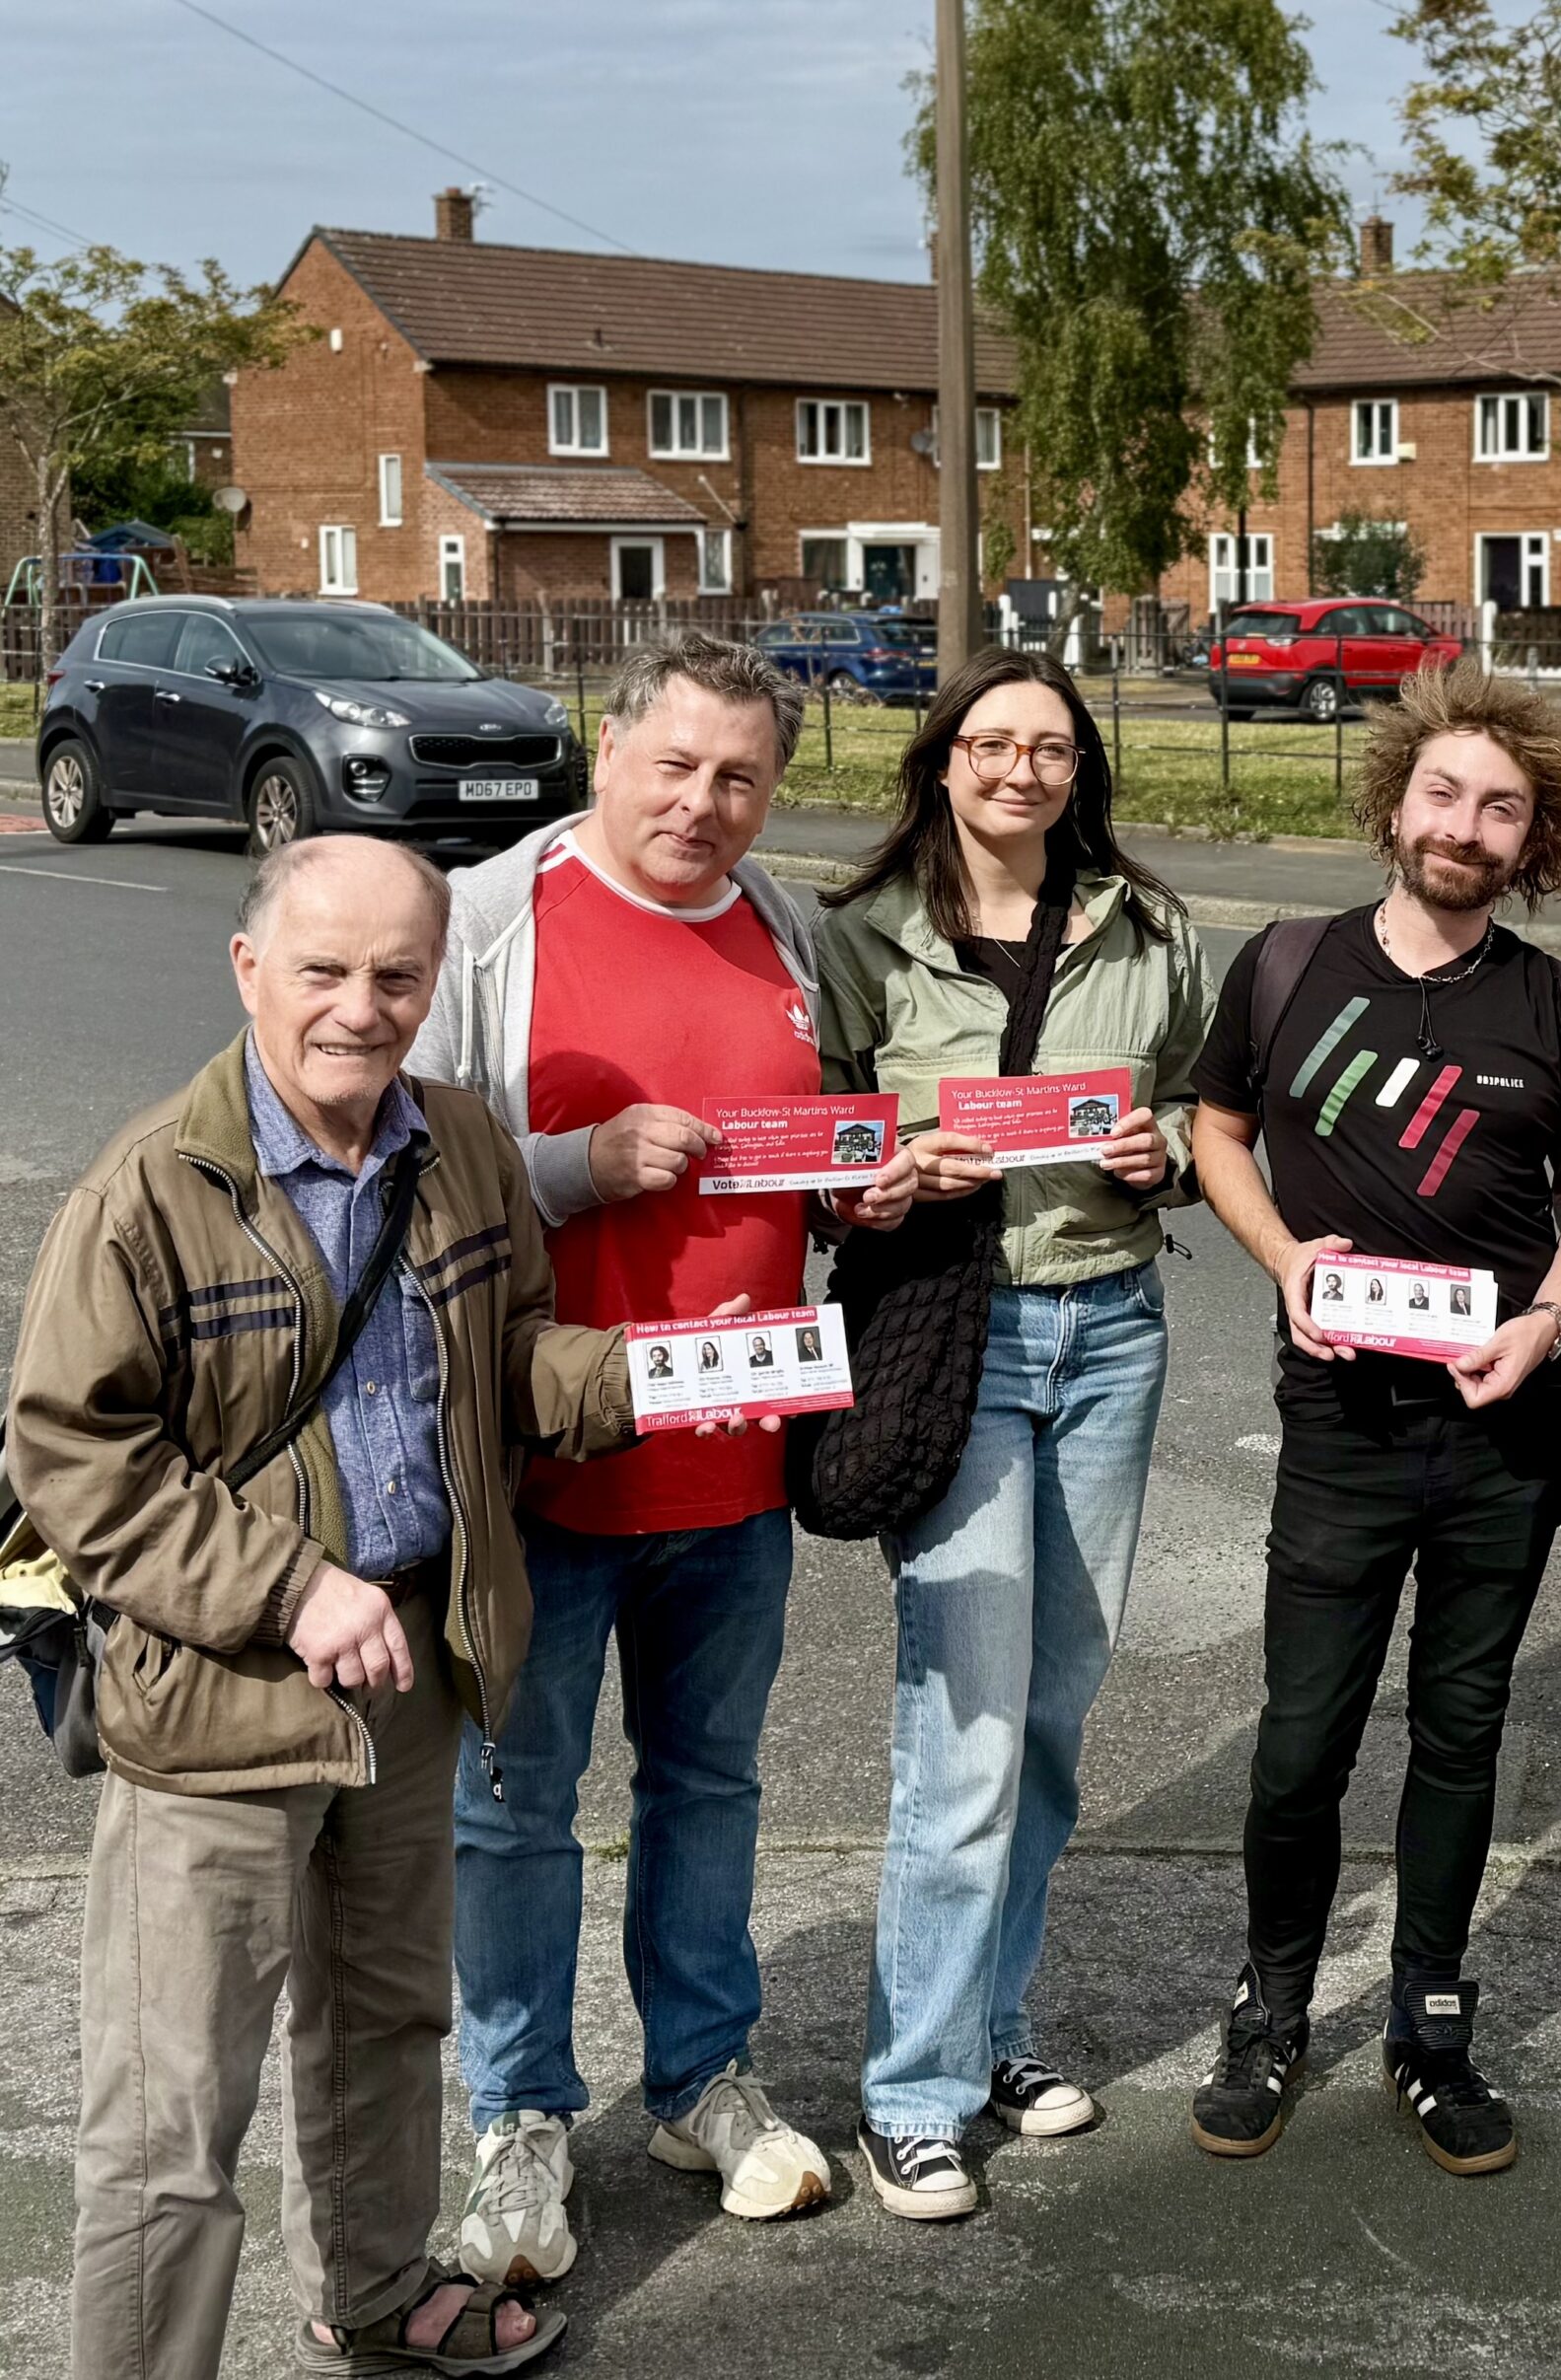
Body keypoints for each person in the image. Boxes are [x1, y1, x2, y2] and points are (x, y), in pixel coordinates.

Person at [9, 837, 638, 2379]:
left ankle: (367, 2293)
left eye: (399, 975)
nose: (362, 1008)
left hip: (413, 1670)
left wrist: (650, 1377)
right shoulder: (148, 1188)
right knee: (171, 2115)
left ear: (437, 980)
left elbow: (515, 1354)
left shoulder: (467, 1143)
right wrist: (288, 1586)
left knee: (382, 2022)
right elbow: (70, 1457)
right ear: (248, 972)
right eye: (324, 971)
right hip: (219, 1701)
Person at [409, 632, 914, 2285]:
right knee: (518, 1807)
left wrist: (866, 1187)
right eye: (677, 764)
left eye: (742, 777)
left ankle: (701, 2077)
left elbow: (822, 1145)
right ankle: (522, 2110)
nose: (704, 802)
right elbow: (408, 1176)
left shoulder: (792, 929)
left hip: (735, 1463)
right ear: (606, 746)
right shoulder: (491, 921)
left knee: (711, 1785)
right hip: (545, 1461)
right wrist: (579, 1161)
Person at [1187, 659, 1561, 2178]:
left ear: (1533, 838)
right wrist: (1283, 1256)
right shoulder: (1287, 966)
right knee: (1301, 1740)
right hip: (1340, 1420)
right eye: (1444, 792)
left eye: (1502, 806)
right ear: (1394, 802)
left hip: (1504, 1431)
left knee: (1462, 1733)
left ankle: (1432, 2029)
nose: (1467, 823)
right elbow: (1219, 1134)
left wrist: (1552, 1317)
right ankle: (1272, 2009)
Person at [815, 647, 1214, 2218]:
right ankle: (907, 2094)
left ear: (1081, 769)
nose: (1021, 771)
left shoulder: (1153, 927)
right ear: (943, 761)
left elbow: (1203, 1104)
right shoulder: (862, 936)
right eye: (993, 744)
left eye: (1050, 748)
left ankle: (993, 2031)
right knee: (963, 1730)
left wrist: (1161, 1150)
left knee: (1052, 1710)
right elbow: (817, 1139)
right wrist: (877, 1179)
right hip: (952, 1331)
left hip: (1110, 1327)